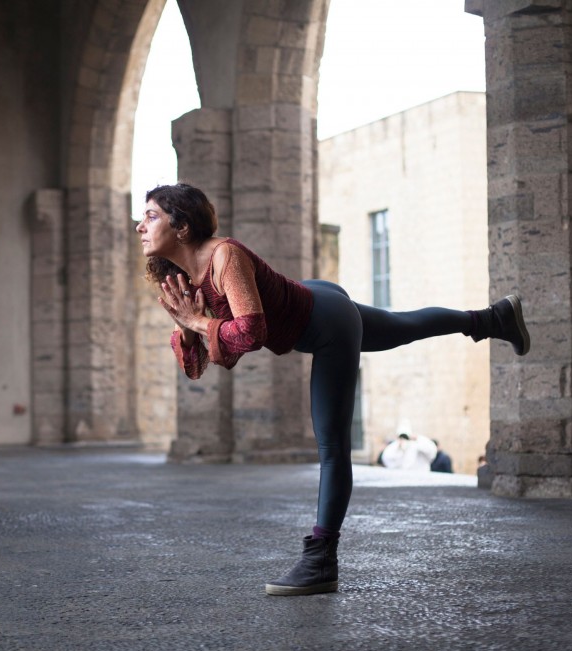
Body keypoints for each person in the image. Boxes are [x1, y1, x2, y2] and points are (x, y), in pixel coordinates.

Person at [137, 183, 530, 596]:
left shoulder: (224, 256)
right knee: (404, 326)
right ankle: (492, 319)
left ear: (182, 226)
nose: (140, 226)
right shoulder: (183, 280)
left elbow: (252, 333)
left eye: (151, 216)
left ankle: (321, 558)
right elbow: (210, 361)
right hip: (315, 298)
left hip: (326, 325)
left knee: (332, 446)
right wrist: (187, 327)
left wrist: (200, 325)